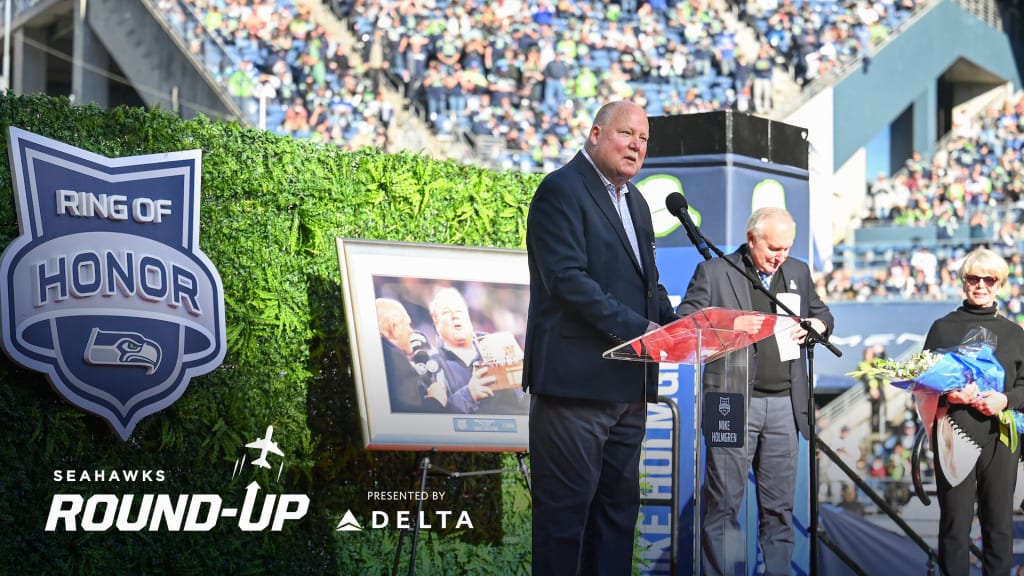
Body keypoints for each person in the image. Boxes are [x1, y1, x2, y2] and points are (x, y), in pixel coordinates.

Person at [524, 100, 677, 575]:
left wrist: (679, 327)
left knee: (616, 518)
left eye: (644, 140)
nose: (637, 146)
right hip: (575, 387)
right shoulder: (561, 190)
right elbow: (568, 281)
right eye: (627, 134)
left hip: (627, 387)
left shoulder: (635, 202)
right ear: (595, 134)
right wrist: (641, 330)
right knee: (565, 524)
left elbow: (648, 285)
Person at [675, 206, 834, 576]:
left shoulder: (797, 271)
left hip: (784, 405)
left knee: (779, 509)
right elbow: (685, 324)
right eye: (774, 248)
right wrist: (730, 324)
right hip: (728, 402)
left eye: (786, 248)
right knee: (724, 507)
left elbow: (824, 316)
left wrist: (816, 325)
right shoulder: (714, 272)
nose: (780, 256)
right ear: (751, 239)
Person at [921, 248, 1024, 576]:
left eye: (989, 279)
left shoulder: (1015, 334)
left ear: (1000, 285)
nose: (980, 285)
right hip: (953, 432)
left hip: (1000, 439)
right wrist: (950, 392)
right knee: (954, 527)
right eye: (973, 278)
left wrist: (1004, 400)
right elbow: (921, 383)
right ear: (963, 282)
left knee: (999, 526)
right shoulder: (941, 328)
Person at [428, 286, 528, 415]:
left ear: (468, 317)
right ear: (436, 323)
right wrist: (468, 394)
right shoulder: (432, 365)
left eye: (459, 310)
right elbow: (435, 419)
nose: (454, 316)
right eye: (446, 312)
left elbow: (527, 403)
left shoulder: (498, 345)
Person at [375, 298, 447, 412]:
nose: (412, 331)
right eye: (408, 324)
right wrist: (435, 400)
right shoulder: (395, 360)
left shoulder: (377, 357)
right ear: (394, 327)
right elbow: (412, 417)